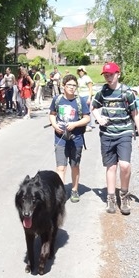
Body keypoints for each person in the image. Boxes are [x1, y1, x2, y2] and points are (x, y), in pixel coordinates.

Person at [91, 62, 139, 215]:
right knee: (111, 167)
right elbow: (93, 107)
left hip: (124, 133)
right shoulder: (103, 91)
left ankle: (124, 194)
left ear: (118, 74)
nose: (109, 77)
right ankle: (110, 198)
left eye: (111, 74)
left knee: (125, 165)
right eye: (106, 75)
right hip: (107, 134)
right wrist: (99, 118)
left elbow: (135, 115)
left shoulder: (127, 92)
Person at [48, 74, 91, 203]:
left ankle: (74, 190)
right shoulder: (57, 99)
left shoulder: (80, 101)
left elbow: (87, 118)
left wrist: (75, 124)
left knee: (75, 166)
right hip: (60, 138)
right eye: (69, 85)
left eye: (74, 85)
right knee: (61, 167)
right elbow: (52, 114)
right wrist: (55, 125)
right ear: (63, 86)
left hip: (76, 139)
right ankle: (60, 193)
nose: (72, 88)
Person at [77, 66, 95, 131]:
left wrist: (89, 98)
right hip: (80, 96)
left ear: (84, 71)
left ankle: (89, 125)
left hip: (86, 95)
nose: (80, 72)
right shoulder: (79, 79)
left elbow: (90, 88)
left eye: (81, 70)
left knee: (87, 111)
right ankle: (83, 124)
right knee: (82, 111)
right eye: (79, 71)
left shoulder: (87, 78)